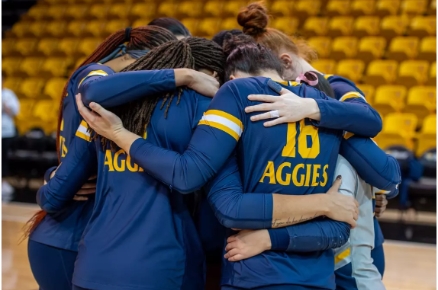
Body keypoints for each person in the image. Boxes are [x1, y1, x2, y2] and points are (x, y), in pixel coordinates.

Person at [77, 35, 398, 289]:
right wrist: (327, 200)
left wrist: (121, 135)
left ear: (227, 78)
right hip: (329, 275)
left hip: (253, 275)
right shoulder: (326, 103)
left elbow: (217, 197)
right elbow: (385, 176)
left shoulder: (239, 99)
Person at [26, 26, 217, 290]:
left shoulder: (111, 108)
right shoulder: (99, 80)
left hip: (85, 251)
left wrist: (56, 176)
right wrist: (184, 76)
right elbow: (189, 178)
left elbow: (53, 192)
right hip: (75, 237)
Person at [236, 1, 400, 278]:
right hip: (309, 242)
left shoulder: (335, 87)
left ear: (285, 63)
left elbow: (370, 124)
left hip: (352, 245)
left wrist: (313, 108)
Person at [2, 84, 19, 202]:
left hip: (6, 132)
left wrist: (5, 107)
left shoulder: (9, 94)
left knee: (3, 158)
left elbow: (15, 111)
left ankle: (3, 183)